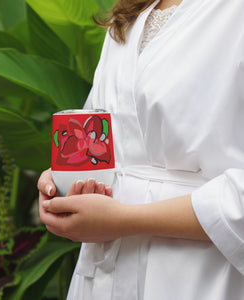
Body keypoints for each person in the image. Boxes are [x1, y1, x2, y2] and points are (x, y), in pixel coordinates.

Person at [37, 0, 244, 299]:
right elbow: (107, 137)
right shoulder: (131, 12)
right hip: (105, 273)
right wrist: (65, 179)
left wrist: (123, 220)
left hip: (201, 274)